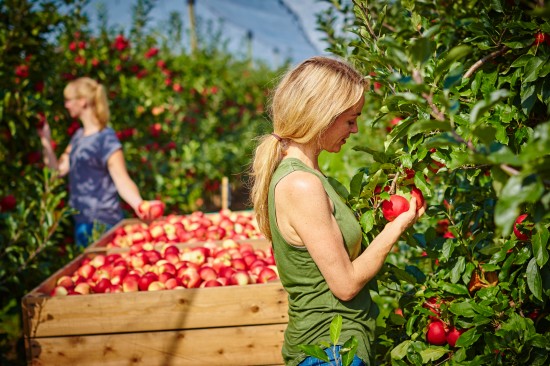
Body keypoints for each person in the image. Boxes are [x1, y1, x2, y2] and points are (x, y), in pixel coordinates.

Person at [250, 56, 425, 366]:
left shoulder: (309, 176)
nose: (355, 129)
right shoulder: (301, 185)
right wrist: (396, 227)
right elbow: (345, 285)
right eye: (350, 119)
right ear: (322, 115)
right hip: (329, 352)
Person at [39, 77, 163, 248]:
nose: (66, 105)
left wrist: (139, 204)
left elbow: (121, 178)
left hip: (104, 222)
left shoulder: (105, 138)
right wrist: (45, 141)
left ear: (82, 101)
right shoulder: (77, 138)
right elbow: (57, 171)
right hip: (82, 221)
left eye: (69, 100)